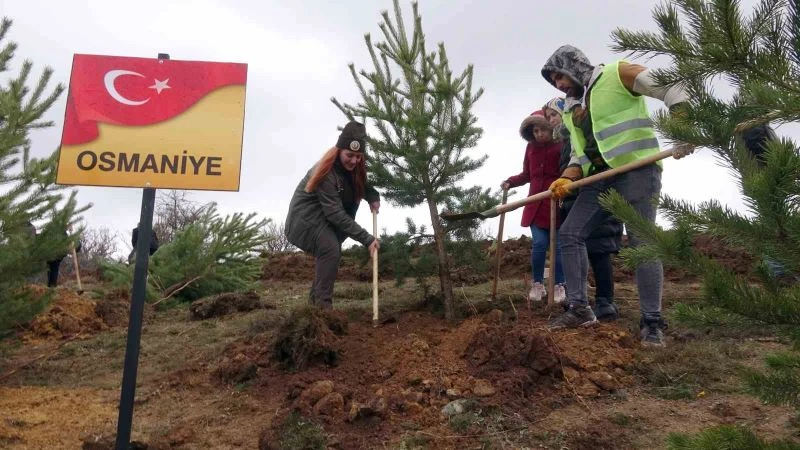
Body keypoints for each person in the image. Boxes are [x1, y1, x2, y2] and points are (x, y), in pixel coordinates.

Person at [541, 45, 695, 346]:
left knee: (641, 243)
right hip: (600, 179)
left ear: (575, 65)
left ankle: (652, 321)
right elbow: (579, 156)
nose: (559, 84)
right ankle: (579, 309)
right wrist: (565, 178)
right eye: (554, 81)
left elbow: (672, 87)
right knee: (570, 234)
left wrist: (684, 129)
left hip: (638, 171)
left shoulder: (617, 74)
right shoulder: (573, 108)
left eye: (560, 76)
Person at [285, 121, 381, 309]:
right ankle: (324, 311)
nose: (354, 161)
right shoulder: (326, 172)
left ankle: (313, 311)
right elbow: (335, 213)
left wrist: (372, 196)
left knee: (329, 254)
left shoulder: (354, 168)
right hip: (305, 220)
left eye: (358, 156)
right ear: (339, 150)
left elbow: (361, 182)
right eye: (349, 155)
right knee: (330, 250)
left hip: (325, 221)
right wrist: (367, 239)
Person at [544, 97, 623, 320]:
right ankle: (579, 301)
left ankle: (605, 303)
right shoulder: (565, 141)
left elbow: (590, 163)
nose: (551, 120)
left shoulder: (579, 133)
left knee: (599, 252)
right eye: (548, 117)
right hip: (576, 201)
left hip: (596, 197)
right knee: (583, 251)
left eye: (554, 114)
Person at [502, 110, 566, 303]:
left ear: (550, 128)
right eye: (535, 131)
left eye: (542, 129)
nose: (539, 134)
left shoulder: (561, 144)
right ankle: (537, 284)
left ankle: (559, 285)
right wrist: (510, 182)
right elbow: (526, 175)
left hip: (557, 202)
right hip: (535, 205)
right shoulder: (530, 148)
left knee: (558, 247)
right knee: (539, 244)